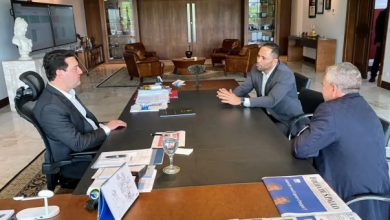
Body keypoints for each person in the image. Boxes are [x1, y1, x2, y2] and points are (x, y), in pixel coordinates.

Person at [292, 62, 390, 219]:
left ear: (333, 88)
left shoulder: (330, 110)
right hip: (379, 200)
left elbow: (301, 149)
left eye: (323, 85)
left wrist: (308, 129)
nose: (321, 89)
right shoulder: (366, 107)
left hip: (349, 201)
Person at [34, 50, 127, 180]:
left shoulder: (66, 93)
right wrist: (106, 129)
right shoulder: (50, 107)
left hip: (90, 147)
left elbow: (84, 121)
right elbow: (78, 144)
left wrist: (105, 127)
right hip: (78, 161)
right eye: (75, 68)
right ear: (60, 73)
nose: (81, 71)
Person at [216, 42, 305, 135]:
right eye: (258, 56)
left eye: (263, 58)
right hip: (265, 113)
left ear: (274, 61)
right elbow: (245, 87)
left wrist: (240, 100)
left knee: (263, 138)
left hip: (286, 119)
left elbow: (271, 100)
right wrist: (231, 96)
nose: (258, 60)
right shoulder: (256, 68)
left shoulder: (285, 75)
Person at [370, 8, 387, 82]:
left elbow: (377, 27)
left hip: (381, 40)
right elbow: (378, 27)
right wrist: (378, 40)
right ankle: (373, 76)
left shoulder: (383, 13)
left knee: (377, 58)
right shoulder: (383, 13)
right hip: (381, 40)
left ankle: (373, 76)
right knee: (377, 58)